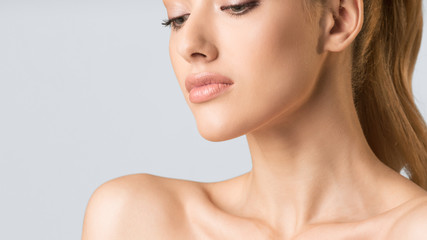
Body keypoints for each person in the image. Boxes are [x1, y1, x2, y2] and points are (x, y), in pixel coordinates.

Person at [81, 0, 427, 239]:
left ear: (337, 19)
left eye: (235, 6)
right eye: (177, 17)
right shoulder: (134, 221)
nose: (189, 43)